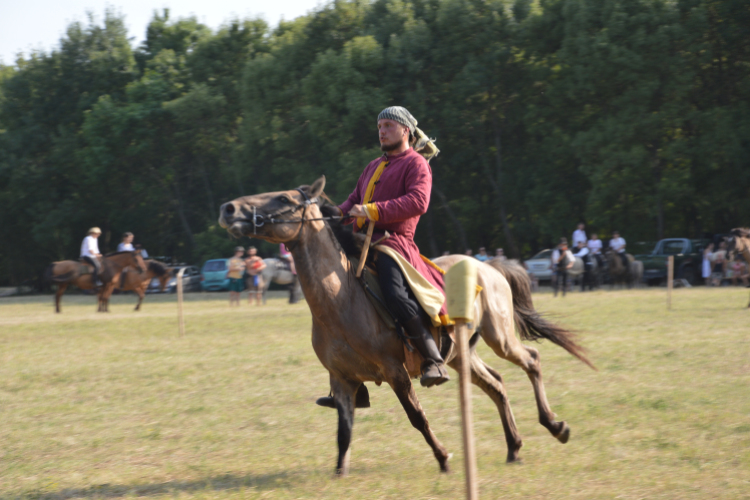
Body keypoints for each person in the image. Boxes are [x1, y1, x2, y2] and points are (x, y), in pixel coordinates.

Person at [333, 105, 449, 389]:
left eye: (388, 126)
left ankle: (432, 359)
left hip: (393, 244)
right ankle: (348, 379)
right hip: (361, 243)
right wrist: (332, 216)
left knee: (395, 295)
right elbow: (352, 202)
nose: (382, 132)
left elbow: (418, 202)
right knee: (335, 296)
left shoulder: (416, 164)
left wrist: (371, 211)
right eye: (379, 127)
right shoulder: (372, 166)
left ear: (405, 130)